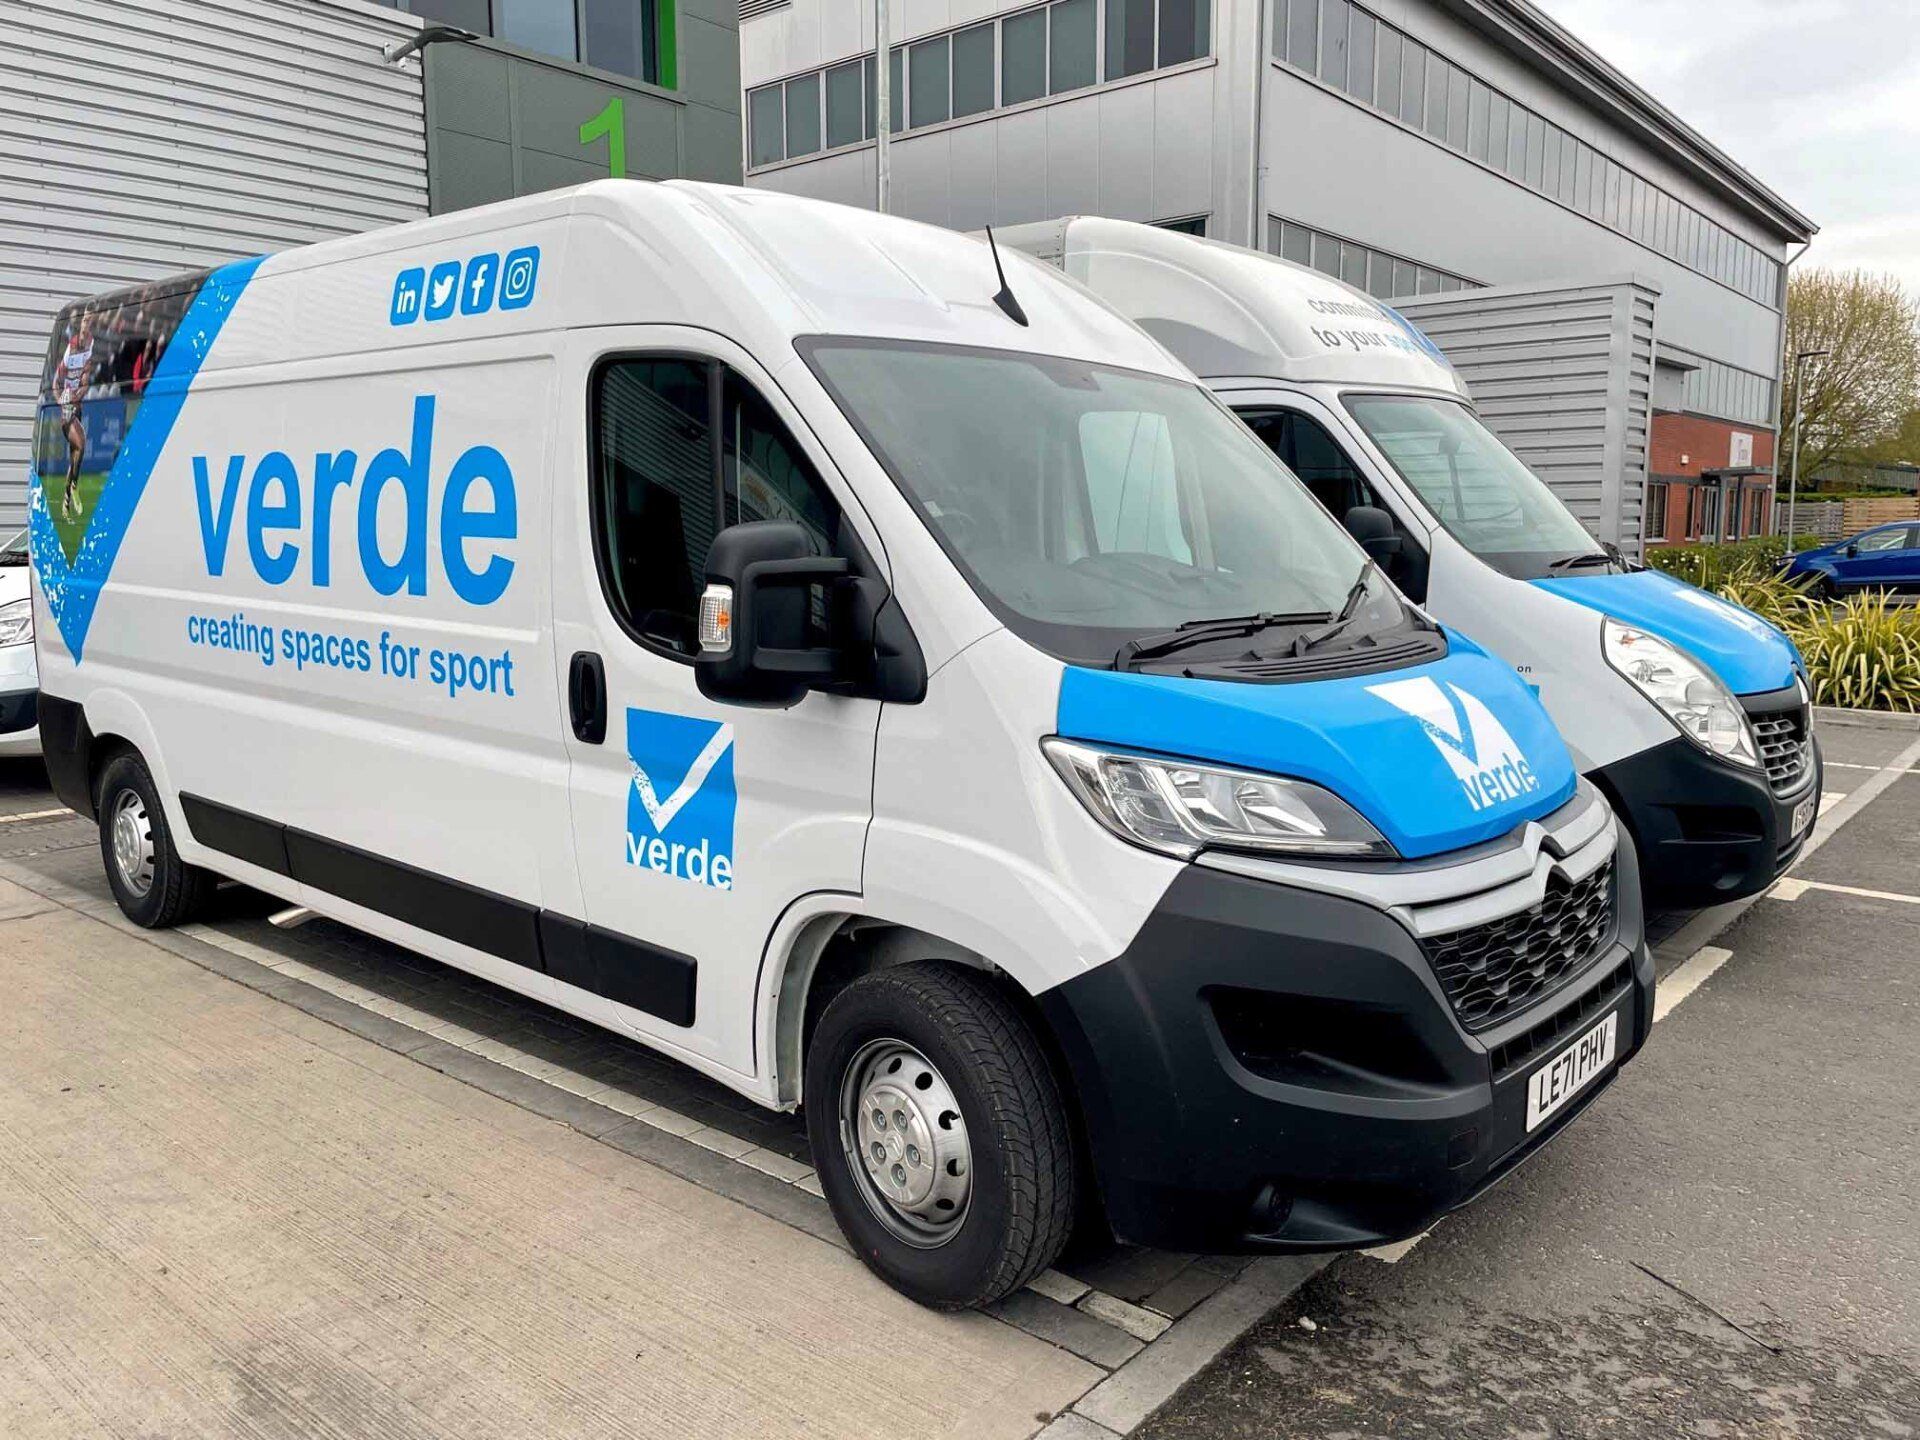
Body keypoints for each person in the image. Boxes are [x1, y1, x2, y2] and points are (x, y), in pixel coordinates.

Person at [51, 312, 97, 521]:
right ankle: (75, 488)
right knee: (81, 443)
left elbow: (86, 381)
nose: (88, 325)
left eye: (91, 321)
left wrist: (79, 394)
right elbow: (55, 383)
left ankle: (65, 506)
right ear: (80, 324)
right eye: (86, 320)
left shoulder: (89, 348)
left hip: (77, 406)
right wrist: (62, 399)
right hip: (67, 407)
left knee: (74, 457)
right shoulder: (71, 349)